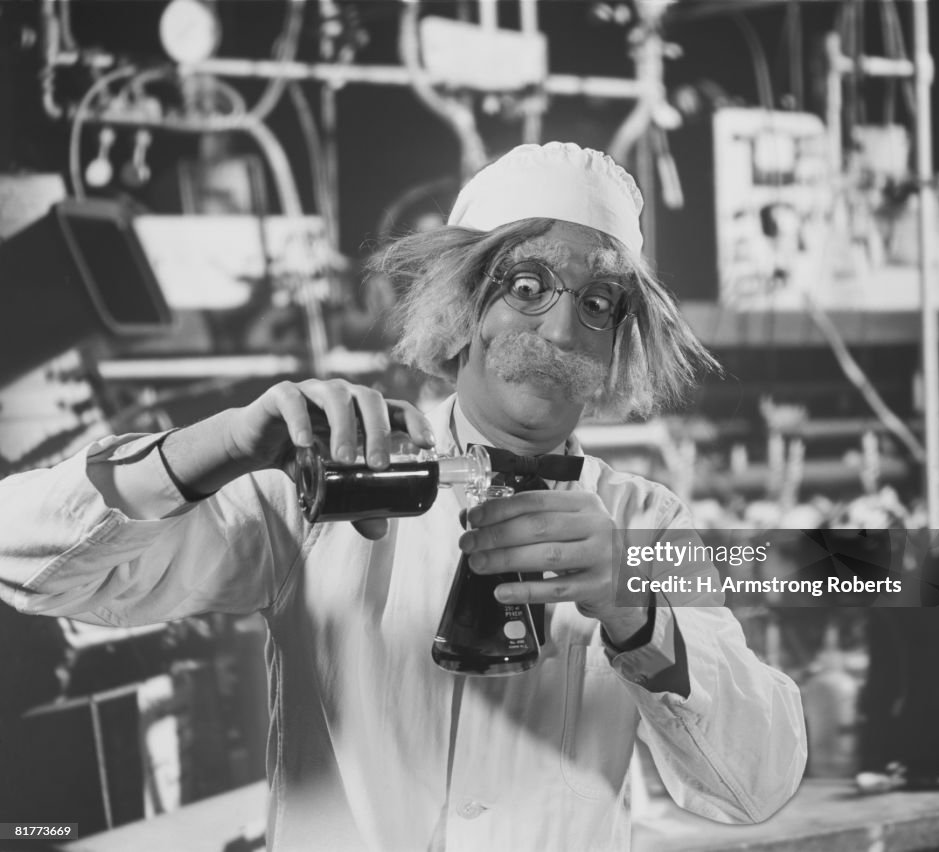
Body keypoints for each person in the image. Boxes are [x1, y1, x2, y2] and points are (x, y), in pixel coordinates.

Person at [0, 142, 806, 851]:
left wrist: (635, 610)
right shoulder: (334, 478)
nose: (562, 332)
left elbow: (755, 784)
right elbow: (32, 565)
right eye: (527, 286)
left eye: (598, 303)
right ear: (461, 308)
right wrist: (213, 449)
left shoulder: (642, 524)